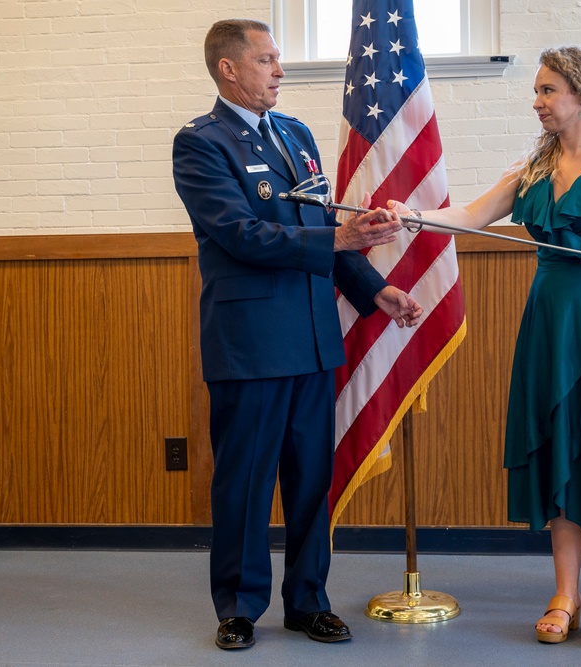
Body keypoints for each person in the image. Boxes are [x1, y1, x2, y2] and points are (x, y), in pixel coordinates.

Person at [388, 46, 581, 648]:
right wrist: (412, 215)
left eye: (549, 90)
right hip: (549, 316)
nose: (538, 102)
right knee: (560, 446)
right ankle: (566, 592)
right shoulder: (534, 168)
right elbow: (471, 215)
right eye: (538, 91)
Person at [172, 19, 423, 651]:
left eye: (278, 59)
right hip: (251, 343)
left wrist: (373, 289)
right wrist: (338, 240)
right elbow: (239, 234)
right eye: (267, 59)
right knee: (246, 481)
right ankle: (239, 606)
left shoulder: (296, 136)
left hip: (312, 339)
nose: (279, 70)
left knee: (312, 481)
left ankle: (309, 600)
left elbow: (322, 228)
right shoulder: (201, 143)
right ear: (229, 68)